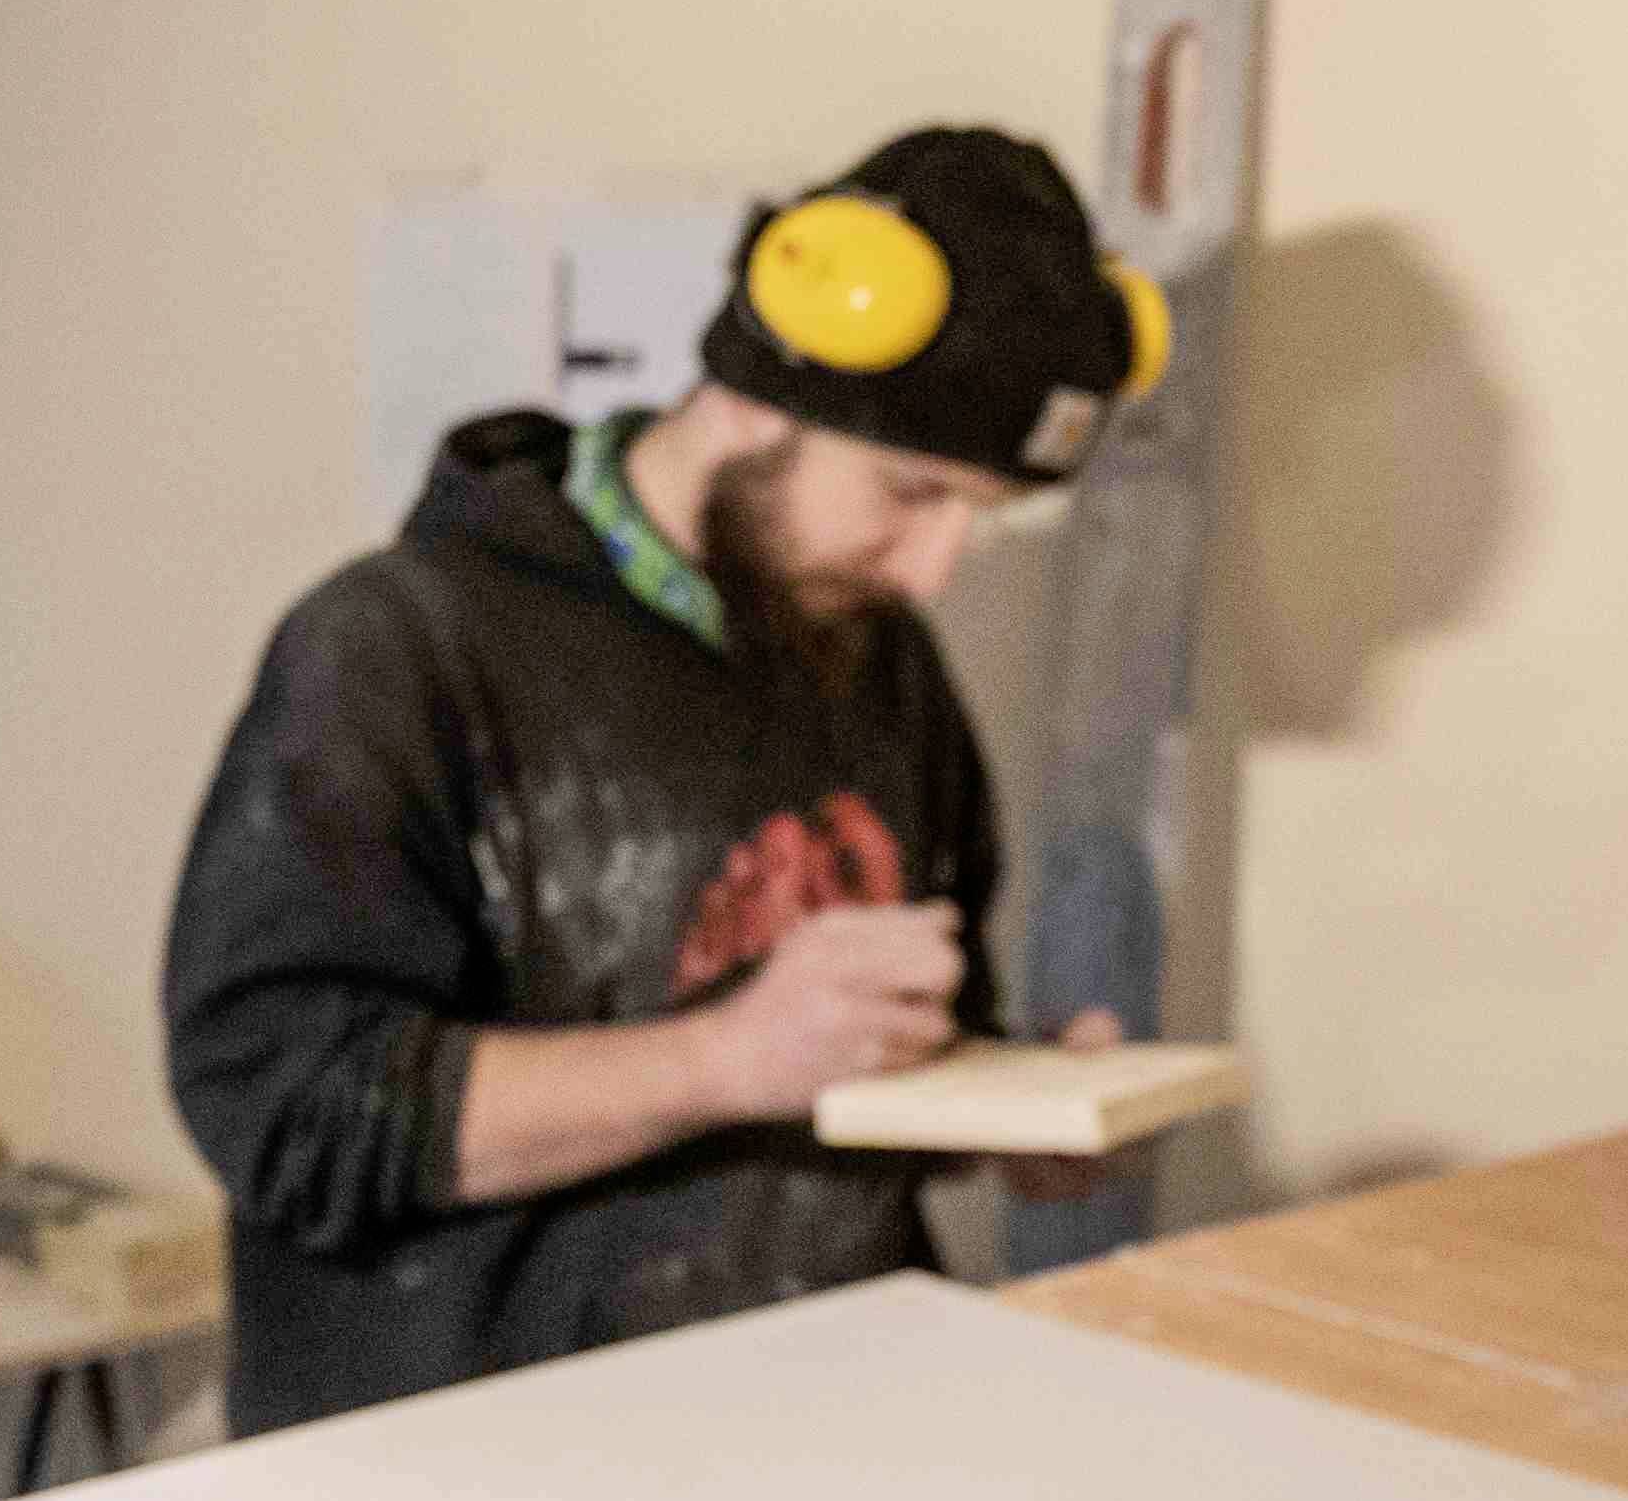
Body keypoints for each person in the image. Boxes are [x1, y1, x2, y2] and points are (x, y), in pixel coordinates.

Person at [160, 124, 1168, 1432]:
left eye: (980, 516)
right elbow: (284, 1107)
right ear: (756, 394)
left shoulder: (877, 660)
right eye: (910, 492)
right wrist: (722, 1059)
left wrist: (1009, 1106)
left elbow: (880, 1050)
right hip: (465, 1488)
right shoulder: (399, 649)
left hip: (820, 1445)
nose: (932, 572)